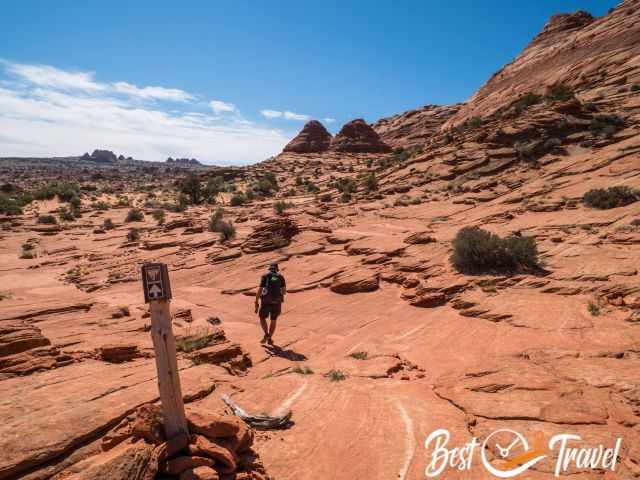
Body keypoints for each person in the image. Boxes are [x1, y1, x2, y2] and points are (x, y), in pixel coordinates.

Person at [255, 262, 286, 345]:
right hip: (277, 302)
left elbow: (260, 289)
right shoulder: (281, 277)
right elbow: (284, 292)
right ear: (277, 269)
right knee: (273, 320)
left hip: (266, 301)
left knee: (262, 317)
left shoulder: (265, 276)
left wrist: (256, 301)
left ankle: (266, 334)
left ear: (270, 268)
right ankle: (270, 338)